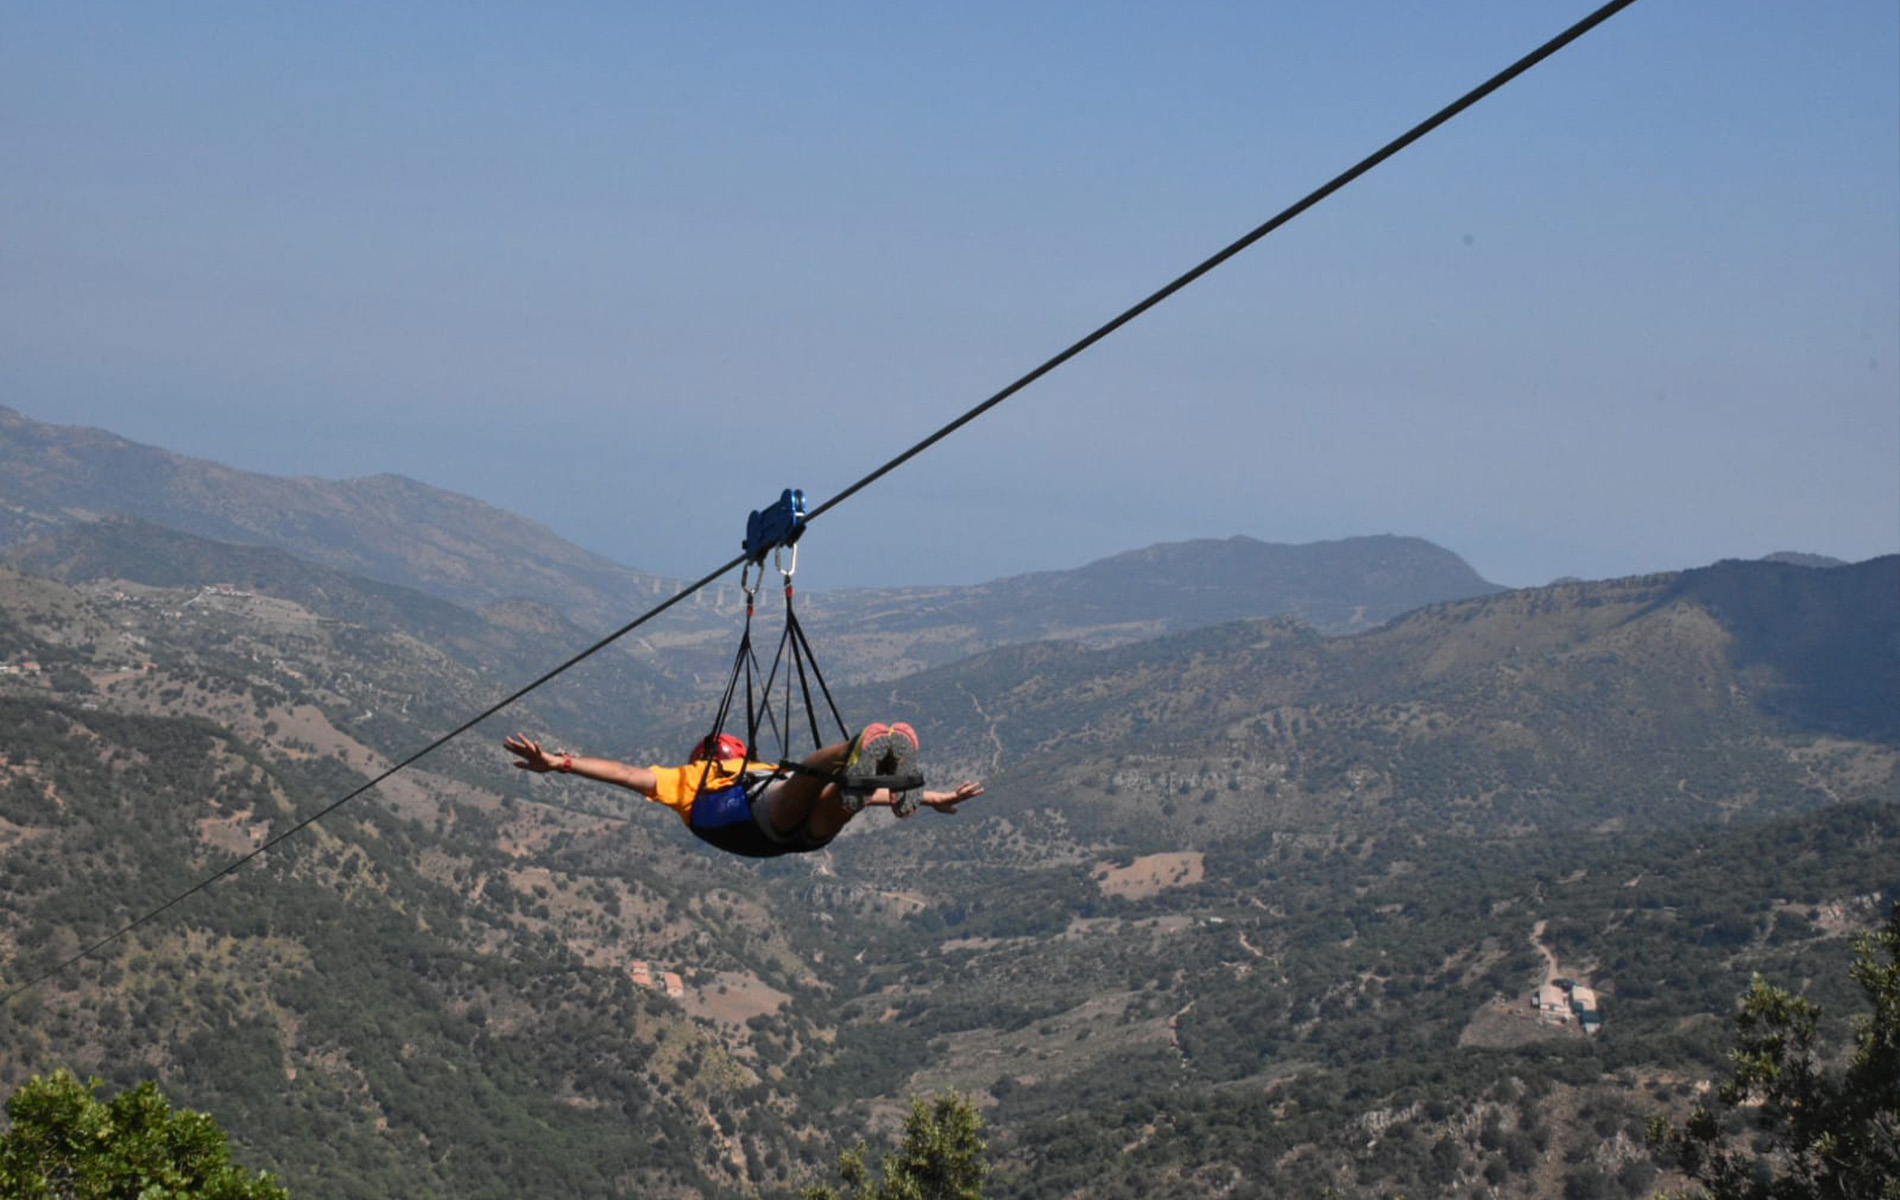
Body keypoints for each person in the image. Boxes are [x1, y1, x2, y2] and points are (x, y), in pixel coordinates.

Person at [502, 722, 984, 859]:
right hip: (757, 821)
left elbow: (627, 774)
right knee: (811, 777)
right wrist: (562, 763)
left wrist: (930, 797)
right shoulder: (688, 780)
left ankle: (869, 768)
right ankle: (860, 746)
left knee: (840, 794)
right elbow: (625, 773)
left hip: (782, 834)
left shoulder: (753, 769)